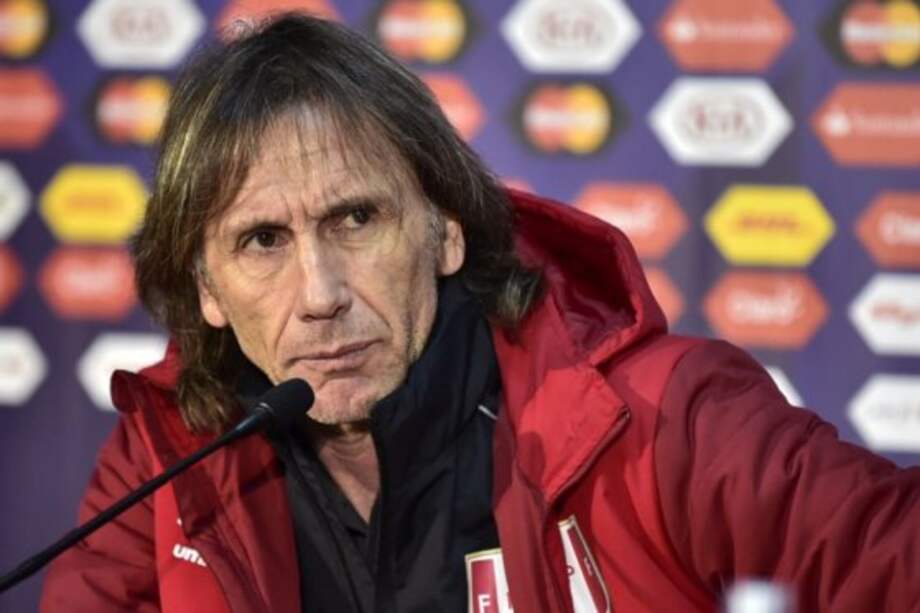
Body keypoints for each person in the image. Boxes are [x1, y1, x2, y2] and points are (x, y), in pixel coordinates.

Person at [41, 13, 919, 613]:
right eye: (262, 240)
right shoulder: (170, 458)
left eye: (357, 218)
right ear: (206, 290)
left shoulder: (664, 419)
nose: (320, 293)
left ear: (446, 230)